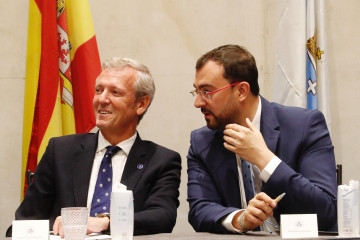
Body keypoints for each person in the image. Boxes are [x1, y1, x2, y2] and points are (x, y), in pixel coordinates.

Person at [9, 57, 181, 236]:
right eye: (98, 90)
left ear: (141, 104)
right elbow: (25, 221)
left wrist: (105, 222)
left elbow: (163, 217)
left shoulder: (161, 160)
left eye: (115, 92)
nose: (102, 99)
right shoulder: (60, 151)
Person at [187, 44, 337, 233]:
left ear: (241, 91)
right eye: (196, 91)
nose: (197, 102)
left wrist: (264, 159)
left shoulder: (305, 126)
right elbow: (199, 210)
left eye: (207, 92)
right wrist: (240, 219)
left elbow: (326, 211)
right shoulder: (202, 142)